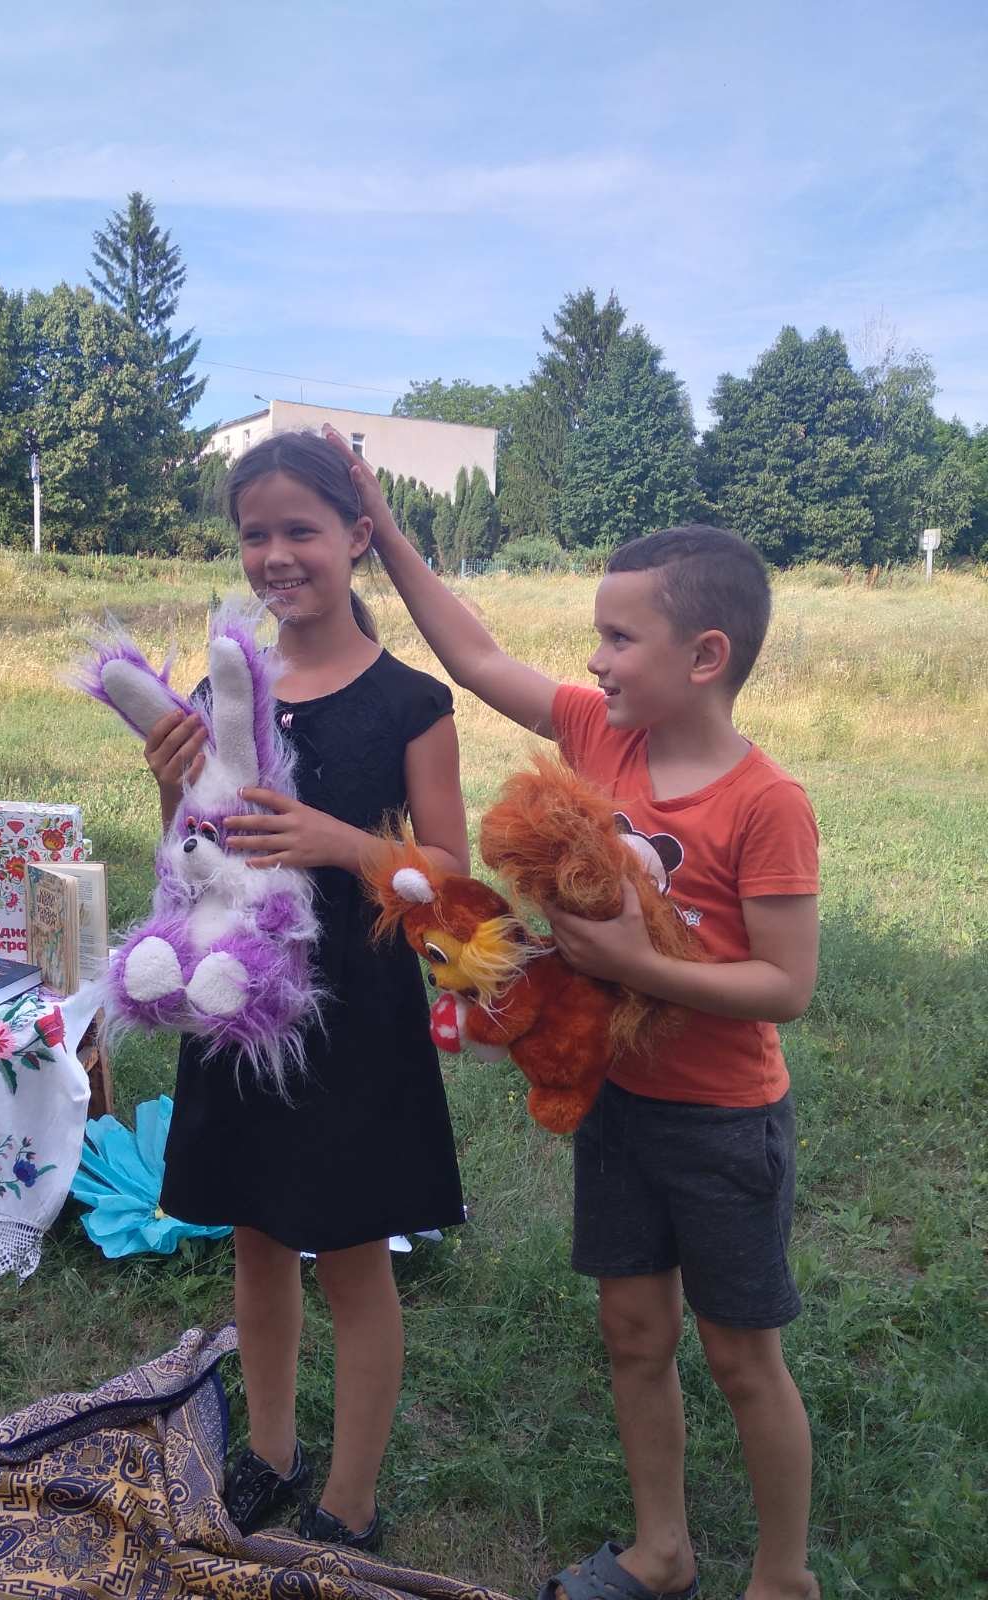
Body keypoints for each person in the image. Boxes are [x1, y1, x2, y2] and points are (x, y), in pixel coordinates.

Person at [323, 426, 820, 1600]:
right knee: (634, 1336)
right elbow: (475, 654)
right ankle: (662, 1550)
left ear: (705, 655)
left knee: (742, 1358)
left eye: (618, 637)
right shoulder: (600, 733)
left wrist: (637, 964)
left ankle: (783, 1576)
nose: (594, 660)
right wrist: (383, 531)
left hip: (722, 1123)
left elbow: (785, 986)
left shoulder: (767, 804)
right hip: (617, 1106)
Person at [142, 430, 469, 1553]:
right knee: (258, 1236)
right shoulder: (224, 686)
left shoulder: (411, 703)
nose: (276, 555)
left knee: (354, 1260)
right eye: (255, 534)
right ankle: (272, 1452)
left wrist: (341, 841)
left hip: (355, 1022)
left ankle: (351, 1499)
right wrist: (171, 789)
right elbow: (191, 857)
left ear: (357, 536)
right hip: (242, 1011)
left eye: (301, 531)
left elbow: (451, 880)